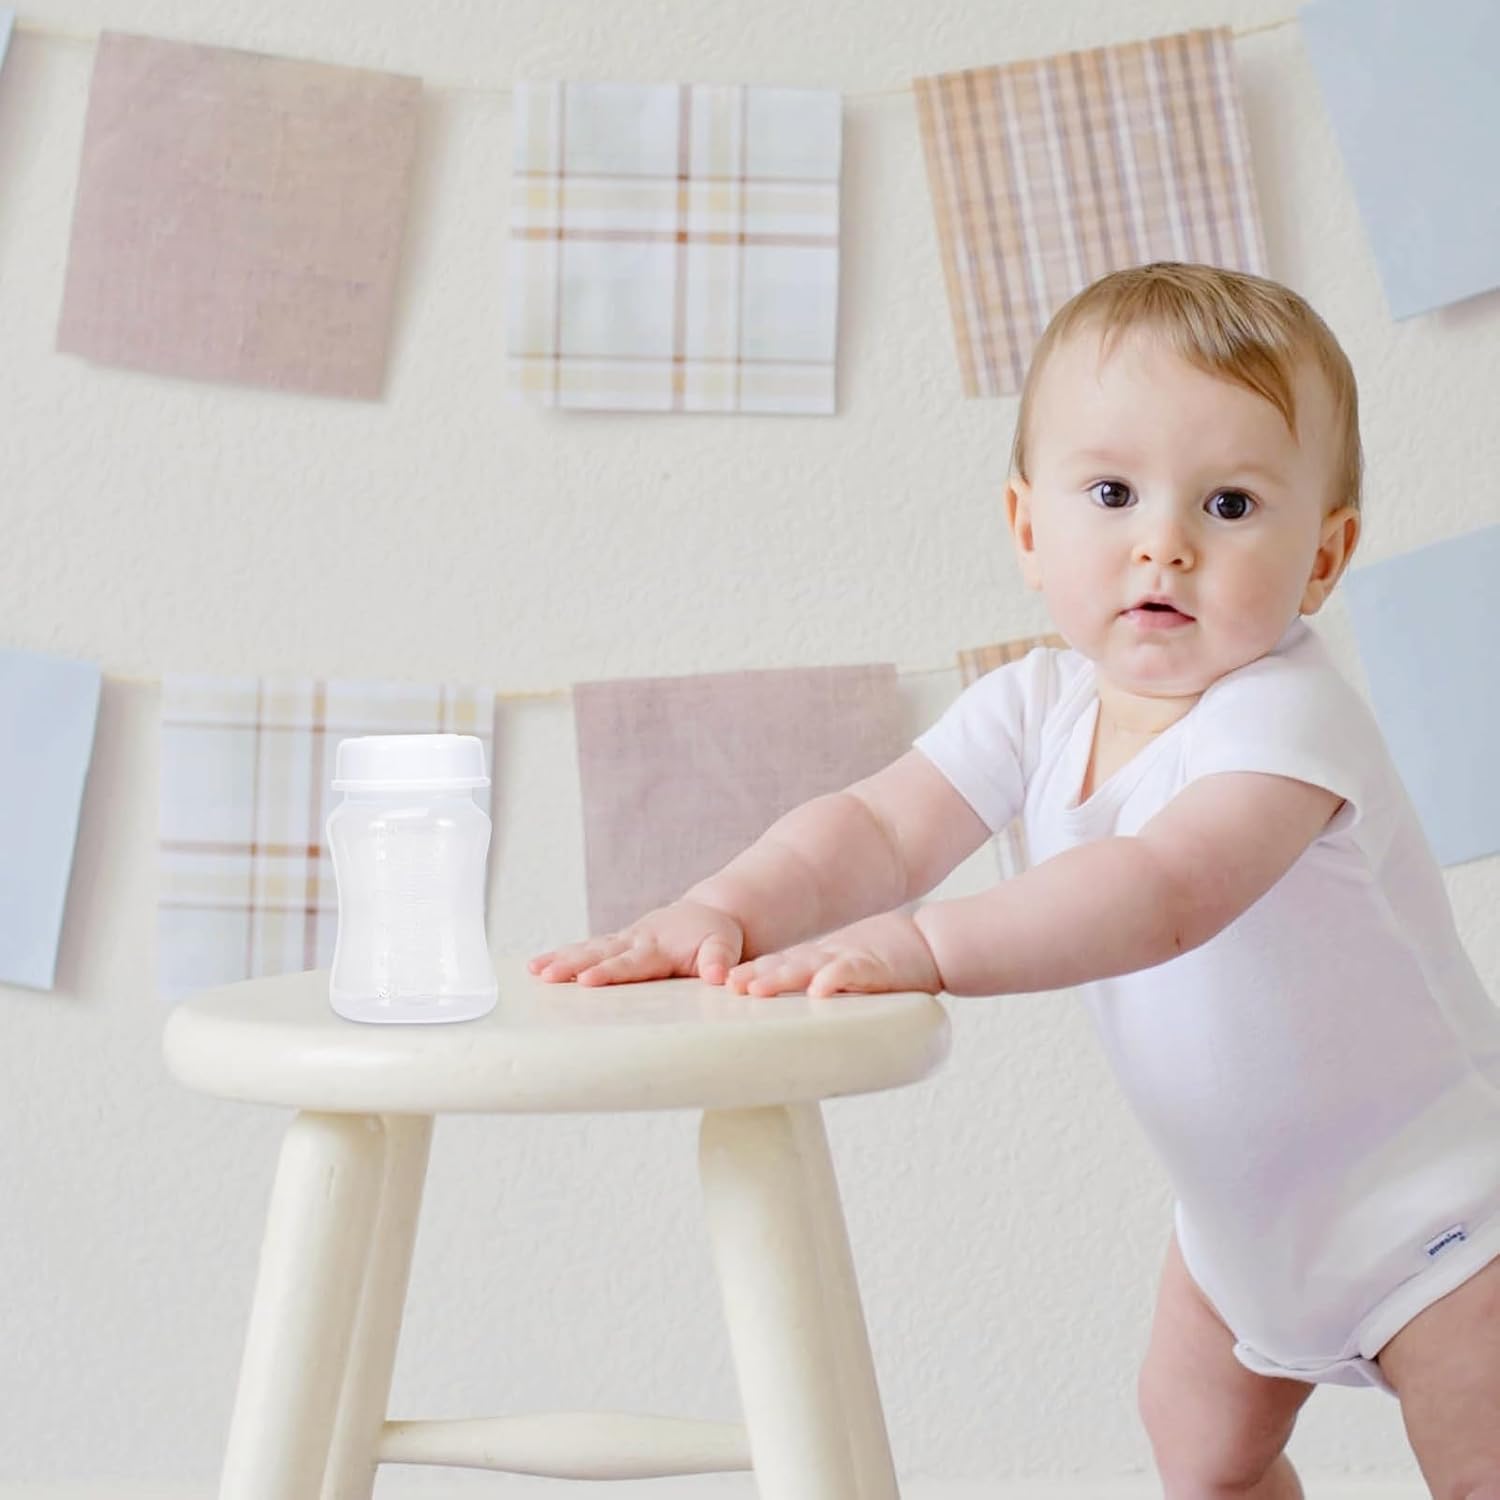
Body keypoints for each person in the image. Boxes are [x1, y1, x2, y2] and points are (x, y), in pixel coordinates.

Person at [529, 262, 1500, 1498]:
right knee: (1202, 1458)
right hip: (1244, 1231)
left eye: (1234, 504)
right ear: (1030, 529)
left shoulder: (1290, 723)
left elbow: (1161, 892)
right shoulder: (1035, 706)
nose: (1166, 542)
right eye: (1112, 493)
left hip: (1442, 1210)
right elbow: (875, 829)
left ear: (1325, 555)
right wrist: (726, 906)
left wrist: (925, 947)